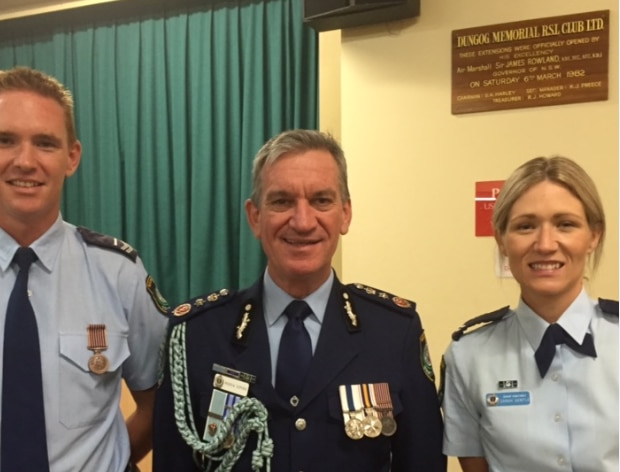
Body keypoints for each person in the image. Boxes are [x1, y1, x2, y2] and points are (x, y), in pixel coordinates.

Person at [0, 66, 168, 471]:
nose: (25, 161)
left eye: (45, 143)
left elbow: (159, 407)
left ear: (72, 157)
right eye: (5, 141)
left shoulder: (119, 273)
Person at [153, 129, 446, 471]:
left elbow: (423, 462)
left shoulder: (395, 333)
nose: (303, 221)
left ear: (345, 214)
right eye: (281, 201)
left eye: (321, 200)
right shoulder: (195, 335)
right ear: (255, 217)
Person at [441, 156, 617, 472]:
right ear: (502, 240)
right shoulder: (468, 357)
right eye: (526, 226)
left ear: (593, 236)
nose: (546, 244)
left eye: (565, 224)